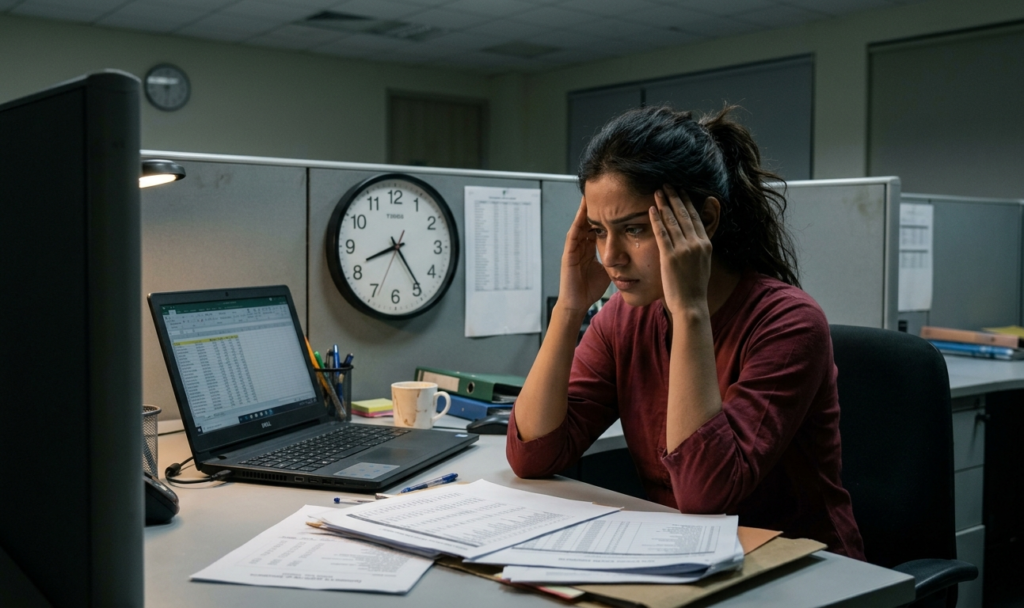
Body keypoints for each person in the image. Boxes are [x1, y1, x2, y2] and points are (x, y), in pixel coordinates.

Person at [506, 105, 865, 559]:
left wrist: (689, 308)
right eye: (598, 231)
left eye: (633, 229)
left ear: (706, 222)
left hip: (806, 576)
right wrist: (570, 306)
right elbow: (532, 456)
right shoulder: (623, 317)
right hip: (684, 562)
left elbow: (704, 495)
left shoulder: (788, 324)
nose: (610, 256)